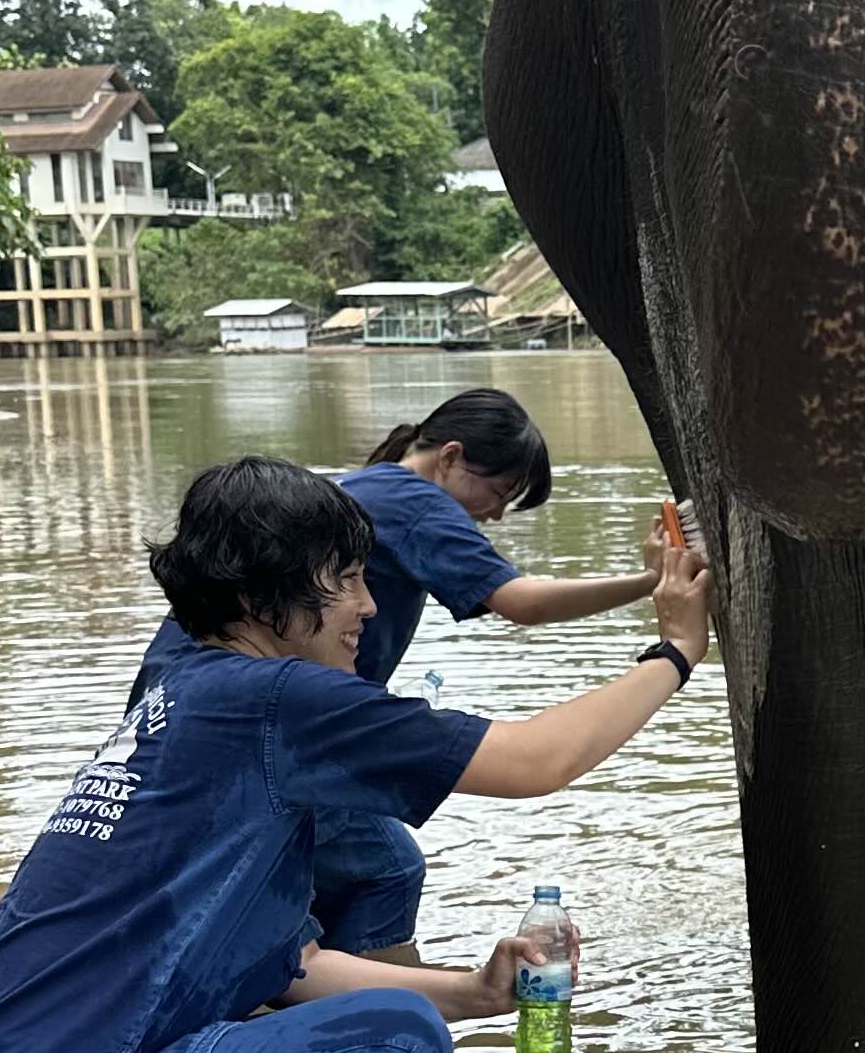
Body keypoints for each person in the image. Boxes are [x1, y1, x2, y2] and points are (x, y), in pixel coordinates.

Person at [0, 456, 711, 1053]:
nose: (369, 605)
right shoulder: (277, 698)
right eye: (344, 578)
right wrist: (676, 649)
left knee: (356, 1020)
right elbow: (536, 760)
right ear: (262, 593)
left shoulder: (178, 695)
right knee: (398, 1046)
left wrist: (471, 991)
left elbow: (295, 966)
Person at [129, 389, 666, 955]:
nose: (495, 515)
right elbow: (522, 603)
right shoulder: (416, 500)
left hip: (174, 700)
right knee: (387, 864)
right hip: (269, 714)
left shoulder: (366, 485)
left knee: (292, 861)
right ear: (451, 457)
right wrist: (651, 587)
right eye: (499, 492)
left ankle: (309, 971)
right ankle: (381, 999)